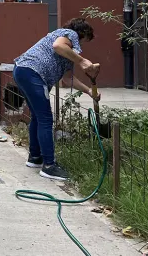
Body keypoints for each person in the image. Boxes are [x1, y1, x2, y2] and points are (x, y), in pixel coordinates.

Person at [13, 18, 100, 181]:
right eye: (86, 41)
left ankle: (35, 157)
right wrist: (82, 61)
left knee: (38, 117)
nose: (82, 47)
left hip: (23, 71)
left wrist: (89, 91)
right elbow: (58, 46)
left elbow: (68, 80)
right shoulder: (68, 34)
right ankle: (49, 166)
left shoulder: (68, 54)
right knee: (46, 119)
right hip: (32, 73)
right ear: (83, 34)